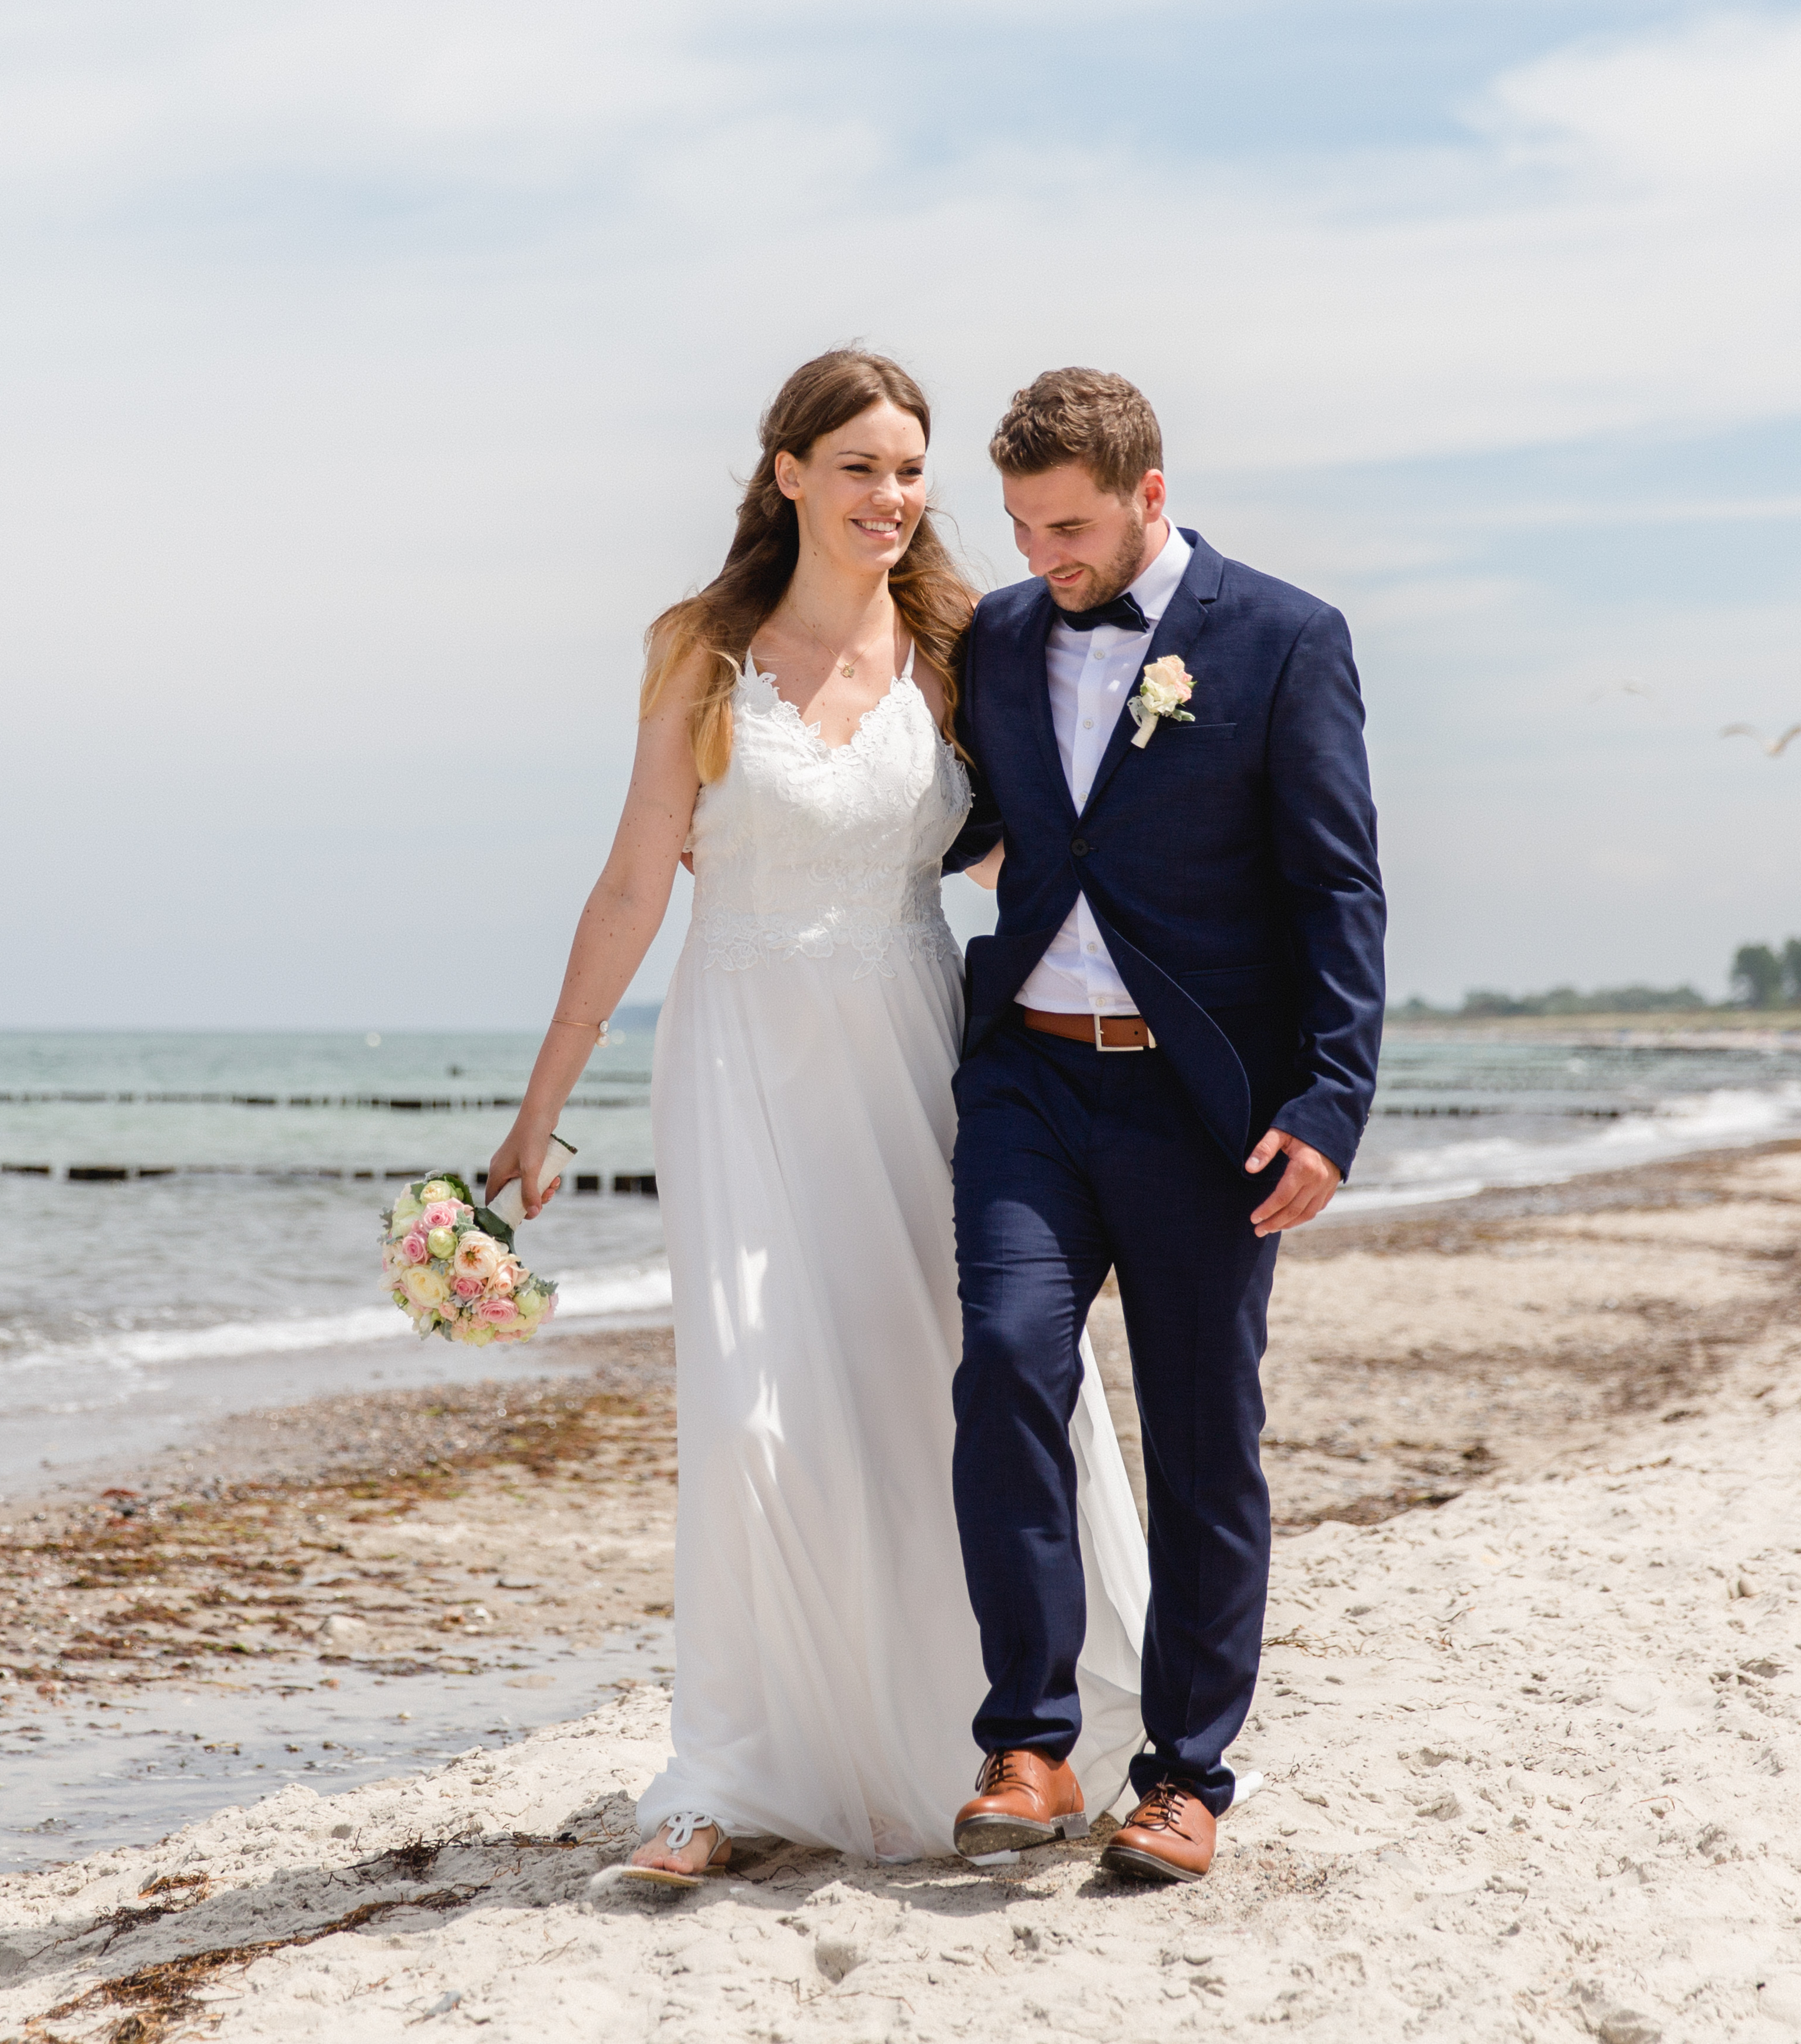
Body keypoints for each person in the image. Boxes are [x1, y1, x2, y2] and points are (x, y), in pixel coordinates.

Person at [489, 350, 1147, 1881]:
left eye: (910, 469)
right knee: (754, 1414)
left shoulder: (957, 648)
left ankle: (1013, 1738)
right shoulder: (699, 651)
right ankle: (729, 1775)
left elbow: (1029, 854)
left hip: (919, 1055)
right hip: (743, 1060)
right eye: (860, 465)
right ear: (786, 471)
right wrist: (543, 1105)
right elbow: (635, 881)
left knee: (948, 1394)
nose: (892, 497)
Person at [939, 368, 1385, 1885]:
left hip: (1209, 1110)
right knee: (1004, 1362)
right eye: (1015, 526)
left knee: (1204, 1438)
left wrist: (1331, 1102)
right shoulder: (998, 635)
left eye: (1065, 526)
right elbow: (949, 803)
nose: (1038, 556)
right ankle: (1030, 1740)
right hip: (1028, 1081)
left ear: (1150, 495)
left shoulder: (1285, 639)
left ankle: (1186, 1776)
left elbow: (1337, 886)